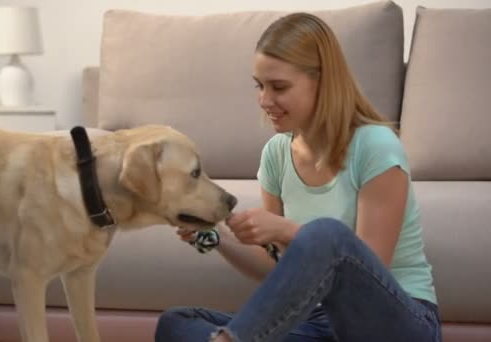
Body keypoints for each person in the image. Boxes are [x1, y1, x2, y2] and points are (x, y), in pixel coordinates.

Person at [154, 12, 441, 342]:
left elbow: (368, 267)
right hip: (320, 321)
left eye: (279, 87)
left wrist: (286, 230)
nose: (264, 100)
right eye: (259, 86)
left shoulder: (375, 146)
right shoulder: (276, 154)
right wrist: (216, 237)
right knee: (177, 323)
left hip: (397, 322)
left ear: (322, 83)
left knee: (326, 235)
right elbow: (276, 268)